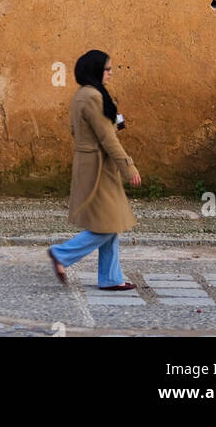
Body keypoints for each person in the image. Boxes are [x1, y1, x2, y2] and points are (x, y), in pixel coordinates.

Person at [48, 50, 141, 291]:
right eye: (107, 69)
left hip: (91, 163)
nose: (110, 73)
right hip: (98, 166)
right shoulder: (92, 97)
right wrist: (129, 167)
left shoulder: (83, 94)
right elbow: (108, 138)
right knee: (109, 223)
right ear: (95, 69)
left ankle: (111, 278)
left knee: (109, 220)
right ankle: (61, 253)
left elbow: (79, 130)